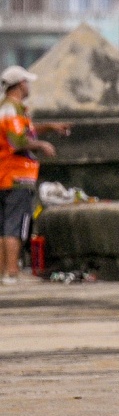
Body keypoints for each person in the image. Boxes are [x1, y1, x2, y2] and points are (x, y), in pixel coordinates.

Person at [0, 66, 68, 285]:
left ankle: (4, 272)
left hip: (5, 175)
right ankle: (11, 272)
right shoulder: (12, 110)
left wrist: (50, 127)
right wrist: (42, 145)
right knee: (15, 227)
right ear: (20, 84)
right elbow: (18, 141)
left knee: (3, 226)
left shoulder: (9, 109)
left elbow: (24, 132)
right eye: (27, 83)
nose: (28, 86)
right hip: (17, 176)